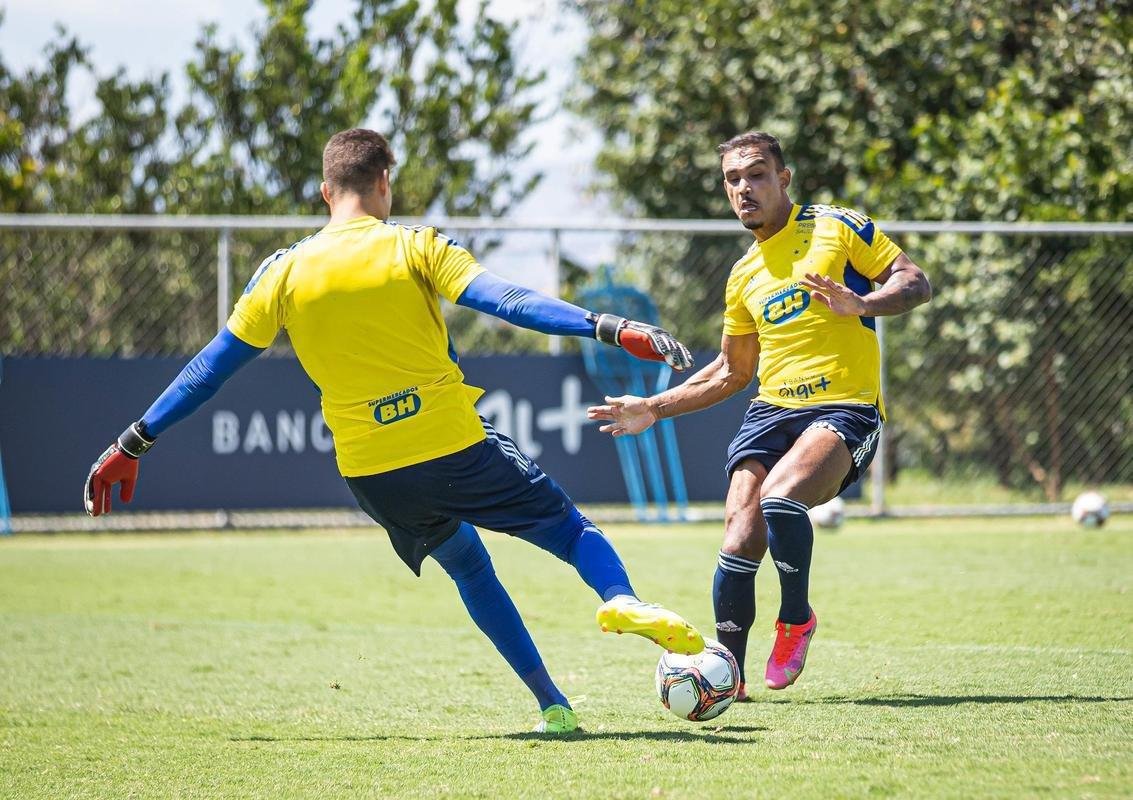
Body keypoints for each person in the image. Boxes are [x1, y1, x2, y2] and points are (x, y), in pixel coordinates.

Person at [83, 128, 705, 735]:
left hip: (372, 472)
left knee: (469, 567)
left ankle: (553, 706)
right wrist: (605, 326)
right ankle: (619, 596)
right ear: (384, 182)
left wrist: (131, 443)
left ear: (325, 191)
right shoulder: (415, 246)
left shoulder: (282, 271)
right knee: (570, 530)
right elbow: (509, 301)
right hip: (454, 445)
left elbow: (207, 371)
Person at [588, 131, 931, 698]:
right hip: (771, 411)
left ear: (783, 178)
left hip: (845, 407)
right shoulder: (743, 273)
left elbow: (915, 282)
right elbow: (731, 370)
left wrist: (863, 302)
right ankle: (729, 675)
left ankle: (796, 619)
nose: (744, 188)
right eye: (733, 179)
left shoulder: (837, 227)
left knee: (780, 499)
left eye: (756, 174)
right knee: (739, 536)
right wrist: (652, 407)